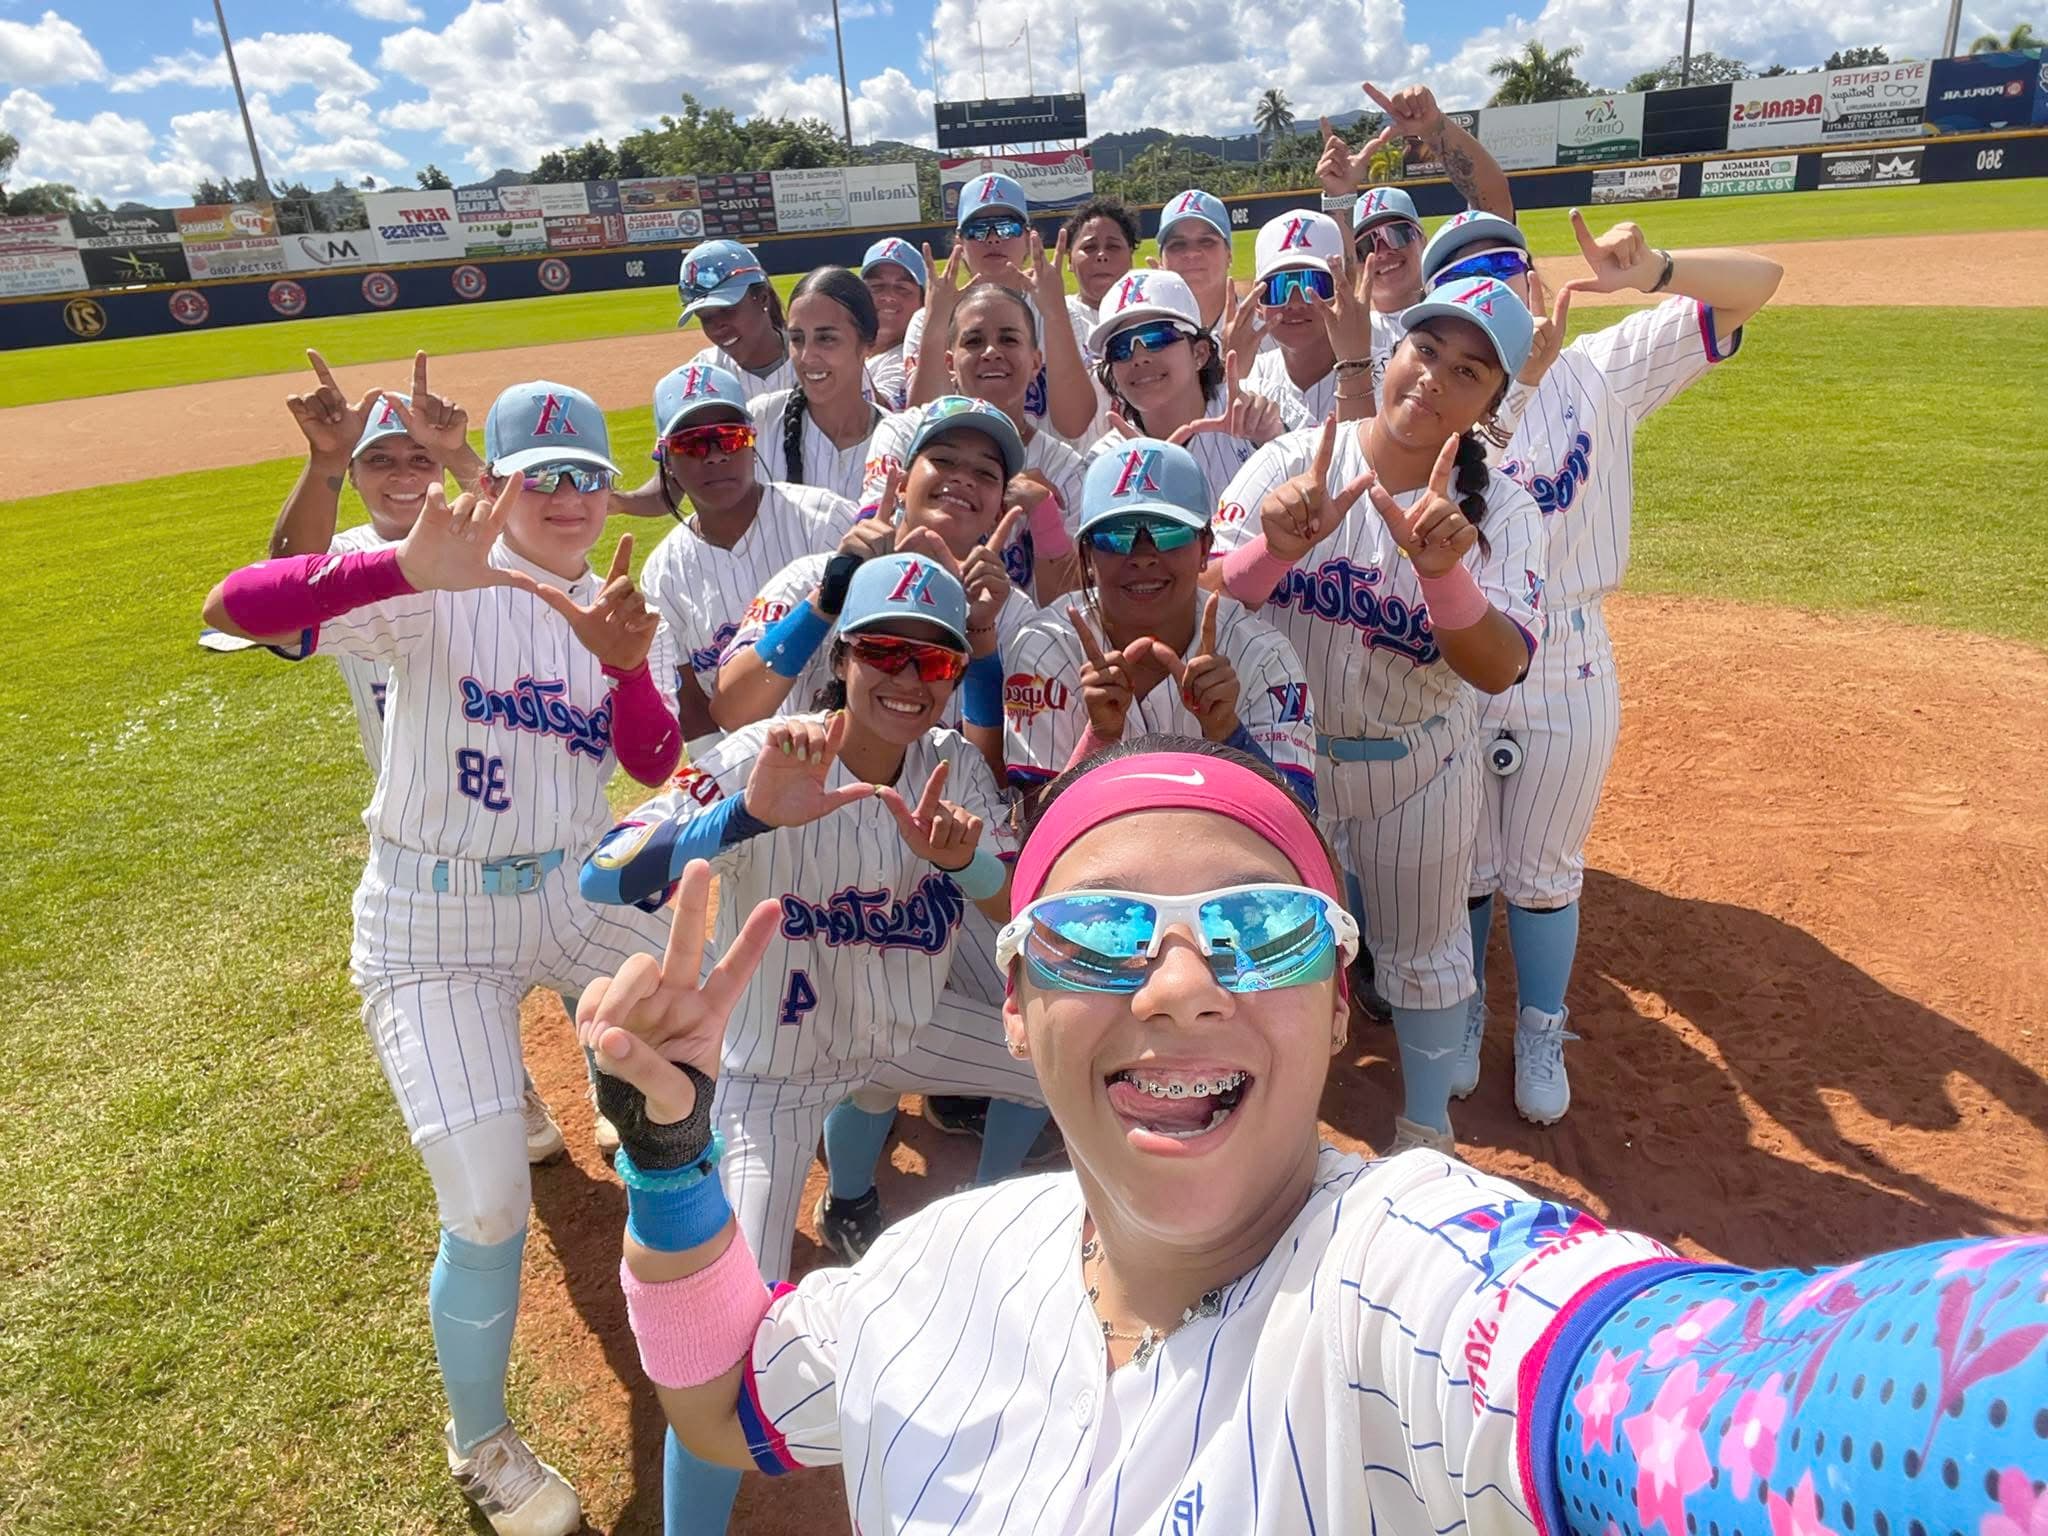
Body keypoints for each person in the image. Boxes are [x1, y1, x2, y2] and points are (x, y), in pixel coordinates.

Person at [578, 736, 2044, 1534]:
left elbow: (1724, 1401)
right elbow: (727, 1409)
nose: (1177, 983)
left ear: (1340, 1000)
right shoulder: (932, 1266)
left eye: (1258, 930)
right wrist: (670, 1159)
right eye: (1097, 936)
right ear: (1015, 1006)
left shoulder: (1413, 1271)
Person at [200, 381, 687, 1536]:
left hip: (569, 894)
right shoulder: (427, 580)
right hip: (431, 922)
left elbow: (656, 755)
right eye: (541, 473)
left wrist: (622, 663)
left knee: (702, 1019)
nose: (567, 497)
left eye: (585, 473)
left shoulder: (602, 597)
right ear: (495, 481)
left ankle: (688, 1231)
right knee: (483, 1208)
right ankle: (481, 1443)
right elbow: (237, 604)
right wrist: (403, 569)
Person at [579, 553, 1045, 1536]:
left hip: (906, 1034)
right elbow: (604, 871)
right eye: (885, 650)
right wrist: (743, 813)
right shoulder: (764, 750)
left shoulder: (955, 769)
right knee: (721, 1355)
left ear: (957, 674)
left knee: (1064, 1057)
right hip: (770, 1080)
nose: (908, 680)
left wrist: (963, 868)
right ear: (843, 651)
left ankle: (979, 1217)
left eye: (934, 663)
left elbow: (1015, 909)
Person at [1457, 210, 1783, 1124]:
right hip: (1470, 645)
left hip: (1569, 647)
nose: (1498, 291)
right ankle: (1471, 1007)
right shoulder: (1444, 397)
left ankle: (1539, 1023)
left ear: (1535, 277)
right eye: (1470, 279)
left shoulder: (1603, 367)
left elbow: (1760, 283)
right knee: (1473, 860)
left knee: (1547, 864)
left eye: (1508, 268)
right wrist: (1505, 388)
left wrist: (1659, 268)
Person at [1209, 278, 1545, 1155]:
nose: (1435, 378)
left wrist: (1444, 575)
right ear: (1392, 353)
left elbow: (1503, 665)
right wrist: (1273, 550)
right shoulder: (1292, 461)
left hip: (1417, 764)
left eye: (1469, 372)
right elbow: (1207, 597)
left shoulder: (1501, 511)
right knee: (1268, 950)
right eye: (1426, 351)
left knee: (1426, 956)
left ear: (1492, 404)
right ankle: (1263, 1129)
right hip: (1278, 763)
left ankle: (1425, 1136)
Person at [1003, 437, 1317, 811]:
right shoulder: (1045, 647)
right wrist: (1099, 738)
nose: (1142, 557)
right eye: (1116, 536)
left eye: (1169, 532)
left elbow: (1300, 816)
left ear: (1204, 549)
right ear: (1086, 555)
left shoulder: (1262, 654)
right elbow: (1032, 829)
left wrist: (1229, 734)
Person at [712, 396, 1035, 733]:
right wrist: (829, 598)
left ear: (999, 510)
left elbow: (993, 774)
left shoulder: (1010, 613)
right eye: (943, 459)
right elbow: (732, 711)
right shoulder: (812, 577)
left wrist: (979, 632)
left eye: (985, 473)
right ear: (902, 485)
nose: (964, 479)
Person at [623, 361, 857, 755]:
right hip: (745, 772)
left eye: (729, 438)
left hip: (848, 750)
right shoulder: (663, 574)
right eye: (693, 444)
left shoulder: (828, 521)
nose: (714, 456)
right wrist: (726, 782)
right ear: (666, 460)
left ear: (752, 443)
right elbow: (691, 706)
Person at [860, 281, 1087, 603]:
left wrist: (1043, 514)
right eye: (974, 341)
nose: (992, 352)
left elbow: (1073, 604)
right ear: (950, 362)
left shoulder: (1066, 467)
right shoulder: (903, 431)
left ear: (1036, 361)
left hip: (1022, 640)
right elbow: (869, 538)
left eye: (1008, 339)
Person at [902, 172, 1096, 441]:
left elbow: (1074, 424)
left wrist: (1054, 315)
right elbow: (921, 425)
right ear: (960, 243)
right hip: (966, 475)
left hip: (1051, 473)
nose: (993, 238)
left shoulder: (1059, 313)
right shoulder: (927, 319)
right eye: (978, 229)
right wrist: (937, 323)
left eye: (1007, 227)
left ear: (1029, 238)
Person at [1087, 269, 1292, 502]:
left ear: (1199, 353)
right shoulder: (1104, 460)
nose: (1139, 357)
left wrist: (1276, 441)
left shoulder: (1264, 402)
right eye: (1120, 347)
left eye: (1157, 338)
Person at [745, 266, 886, 503]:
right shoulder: (759, 421)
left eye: (826, 338)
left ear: (867, 344)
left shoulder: (896, 437)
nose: (807, 357)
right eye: (797, 339)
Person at [1241, 209, 1355, 428]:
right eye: (1278, 287)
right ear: (1257, 301)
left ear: (1342, 288)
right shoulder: (1250, 377)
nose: (1295, 303)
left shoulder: (1382, 371)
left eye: (1314, 283)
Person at [676, 239, 793, 401]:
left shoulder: (819, 357)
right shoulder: (699, 379)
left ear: (763, 298)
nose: (718, 326)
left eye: (727, 310)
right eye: (705, 317)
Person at [1060, 196, 1139, 363]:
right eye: (1089, 247)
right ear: (1069, 260)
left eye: (1113, 247)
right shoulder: (1055, 316)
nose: (1102, 255)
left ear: (1130, 256)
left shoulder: (1150, 312)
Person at [859, 237, 926, 409]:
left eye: (902, 288)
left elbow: (880, 412)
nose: (888, 296)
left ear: (923, 302)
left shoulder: (911, 359)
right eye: (876, 286)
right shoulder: (854, 347)